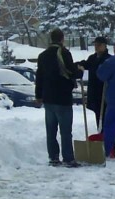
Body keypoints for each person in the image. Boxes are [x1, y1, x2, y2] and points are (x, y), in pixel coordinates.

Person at [35, 28, 82, 167]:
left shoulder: (42, 55)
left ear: (51, 39)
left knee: (51, 130)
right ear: (62, 39)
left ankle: (53, 157)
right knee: (66, 131)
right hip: (63, 97)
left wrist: (39, 95)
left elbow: (39, 77)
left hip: (48, 98)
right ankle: (68, 158)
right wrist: (79, 71)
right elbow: (70, 72)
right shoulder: (64, 53)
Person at [77, 37, 112, 127]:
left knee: (105, 116)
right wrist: (78, 65)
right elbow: (86, 64)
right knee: (98, 115)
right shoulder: (92, 58)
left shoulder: (108, 59)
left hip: (104, 92)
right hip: (94, 92)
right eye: (95, 45)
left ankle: (106, 135)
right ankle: (100, 133)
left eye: (99, 45)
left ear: (104, 46)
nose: (96, 47)